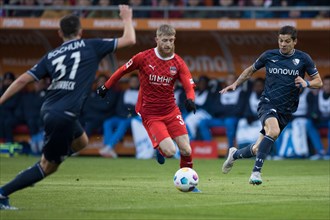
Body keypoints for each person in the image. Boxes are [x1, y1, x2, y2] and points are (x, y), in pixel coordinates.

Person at [0, 5, 135, 210]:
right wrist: (127, 17)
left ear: (60, 33)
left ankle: (47, 161)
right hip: (63, 115)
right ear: (80, 32)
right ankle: (4, 192)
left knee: (82, 142)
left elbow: (21, 81)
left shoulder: (51, 56)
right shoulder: (91, 46)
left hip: (52, 110)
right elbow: (130, 39)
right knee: (47, 167)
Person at [96, 24, 200, 192]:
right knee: (170, 151)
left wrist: (190, 99)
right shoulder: (143, 57)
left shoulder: (178, 62)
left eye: (171, 40)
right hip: (151, 114)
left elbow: (188, 84)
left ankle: (190, 185)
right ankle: (159, 149)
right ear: (157, 39)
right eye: (165, 40)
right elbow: (123, 70)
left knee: (186, 149)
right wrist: (106, 87)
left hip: (171, 111)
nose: (168, 44)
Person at [221, 25, 323, 185]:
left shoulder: (303, 59)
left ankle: (234, 155)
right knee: (273, 131)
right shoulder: (269, 55)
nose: (283, 44)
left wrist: (306, 83)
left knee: (257, 148)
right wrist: (235, 84)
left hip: (286, 110)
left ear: (295, 42)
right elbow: (250, 70)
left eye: (287, 41)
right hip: (267, 103)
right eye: (280, 40)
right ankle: (256, 172)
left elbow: (319, 82)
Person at [99, 73, 140, 158]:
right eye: (132, 81)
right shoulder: (124, 92)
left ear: (139, 82)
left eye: (136, 81)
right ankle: (108, 148)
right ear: (129, 82)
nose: (134, 83)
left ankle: (109, 146)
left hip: (133, 118)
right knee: (108, 122)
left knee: (123, 124)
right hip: (121, 116)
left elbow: (139, 109)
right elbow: (119, 107)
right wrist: (126, 112)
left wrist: (130, 111)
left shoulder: (142, 93)